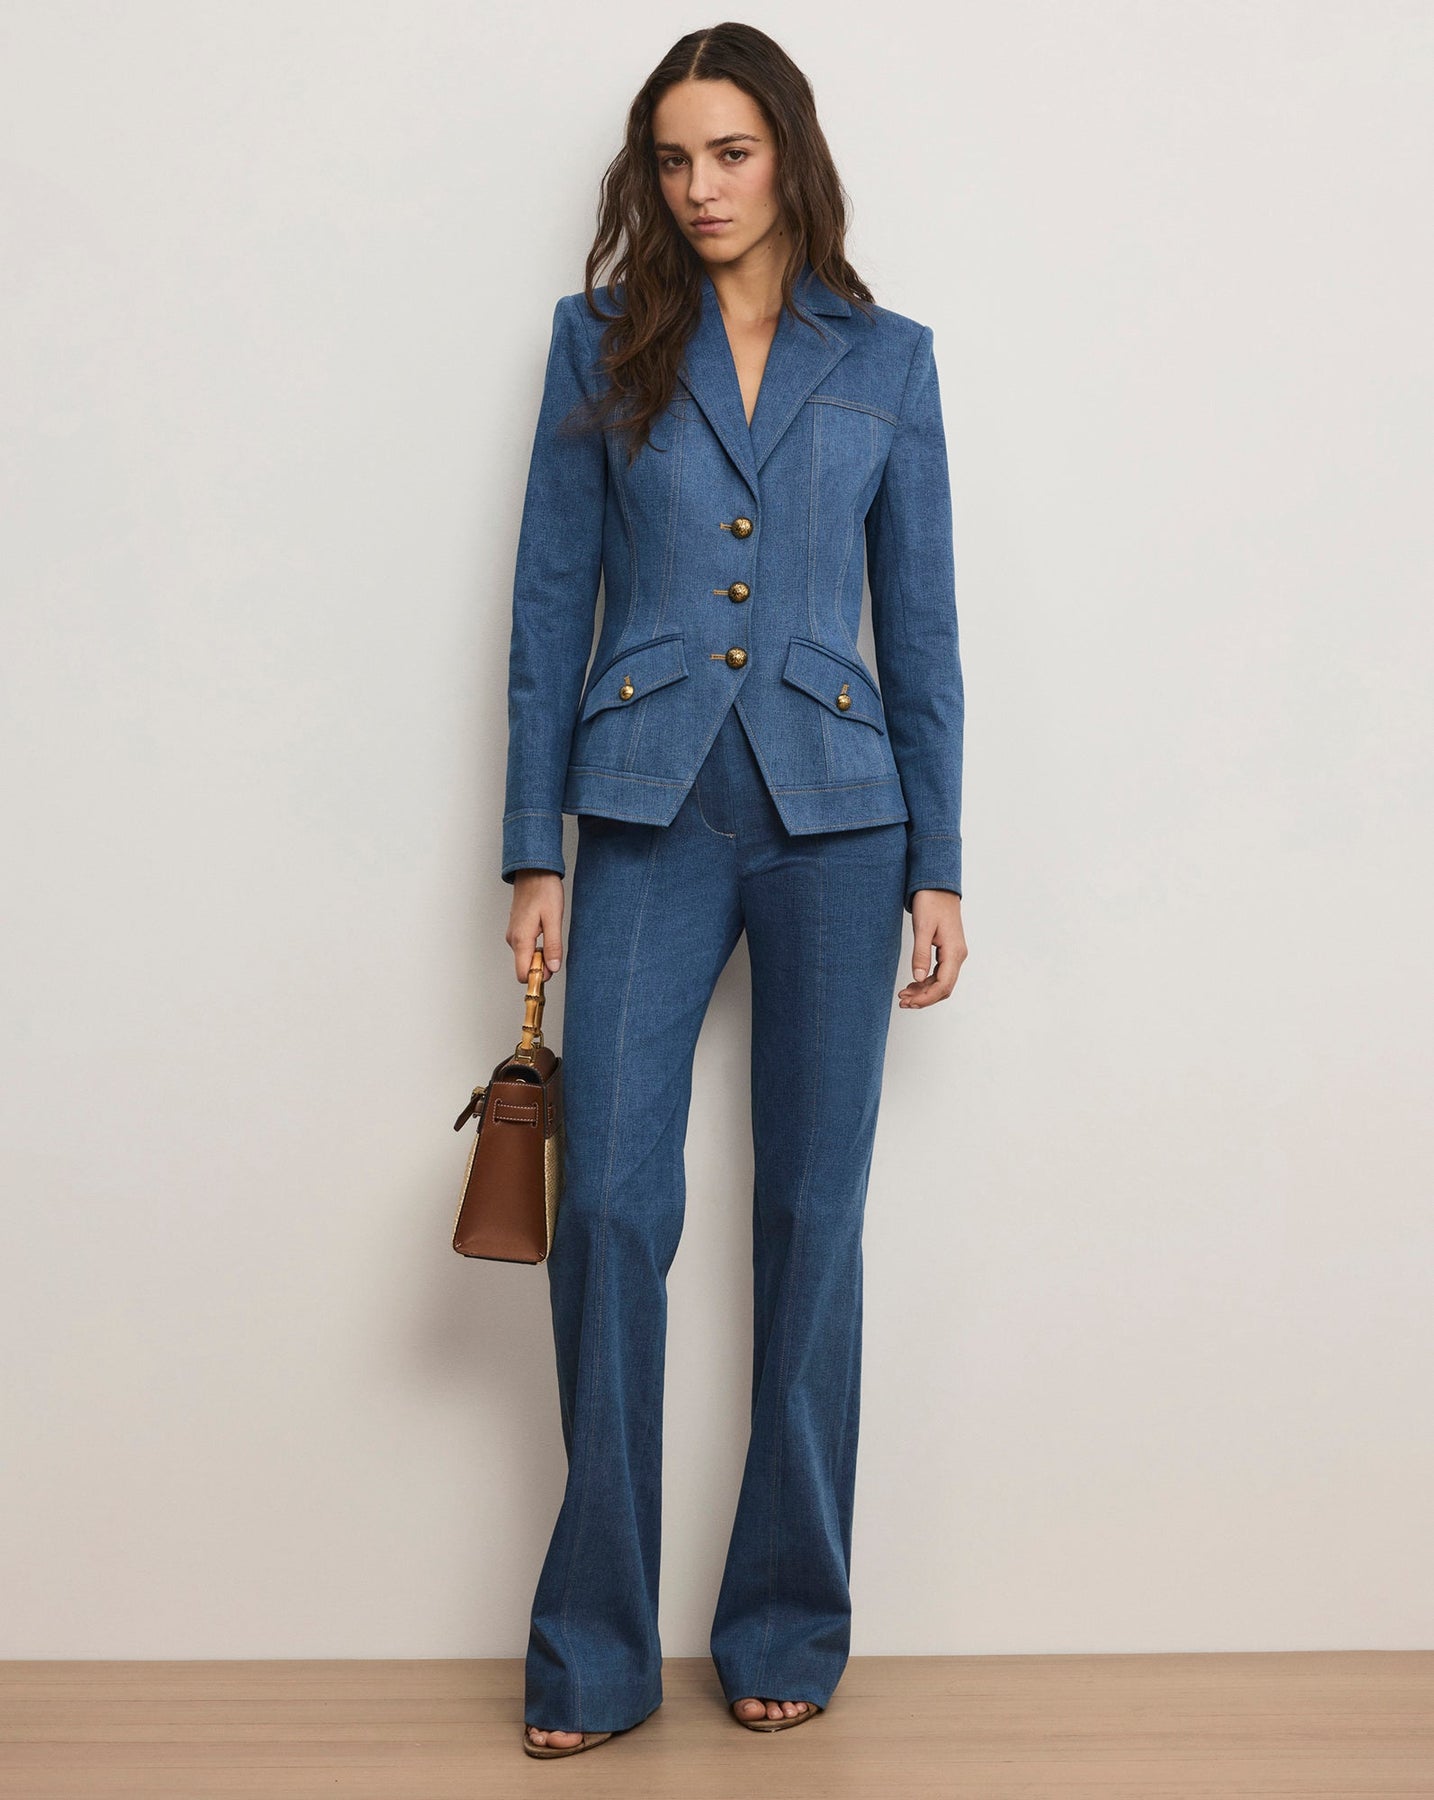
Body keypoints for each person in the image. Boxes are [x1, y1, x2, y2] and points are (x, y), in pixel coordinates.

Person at [500, 22, 968, 1760]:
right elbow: (547, 604)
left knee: (810, 1219)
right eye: (673, 159)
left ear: (789, 155)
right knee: (610, 1212)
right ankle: (594, 1653)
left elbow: (920, 628)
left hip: (842, 826)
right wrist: (532, 845)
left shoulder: (889, 358)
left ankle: (784, 1618)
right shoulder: (598, 340)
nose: (699, 188)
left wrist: (941, 862)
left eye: (731, 153)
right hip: (641, 813)